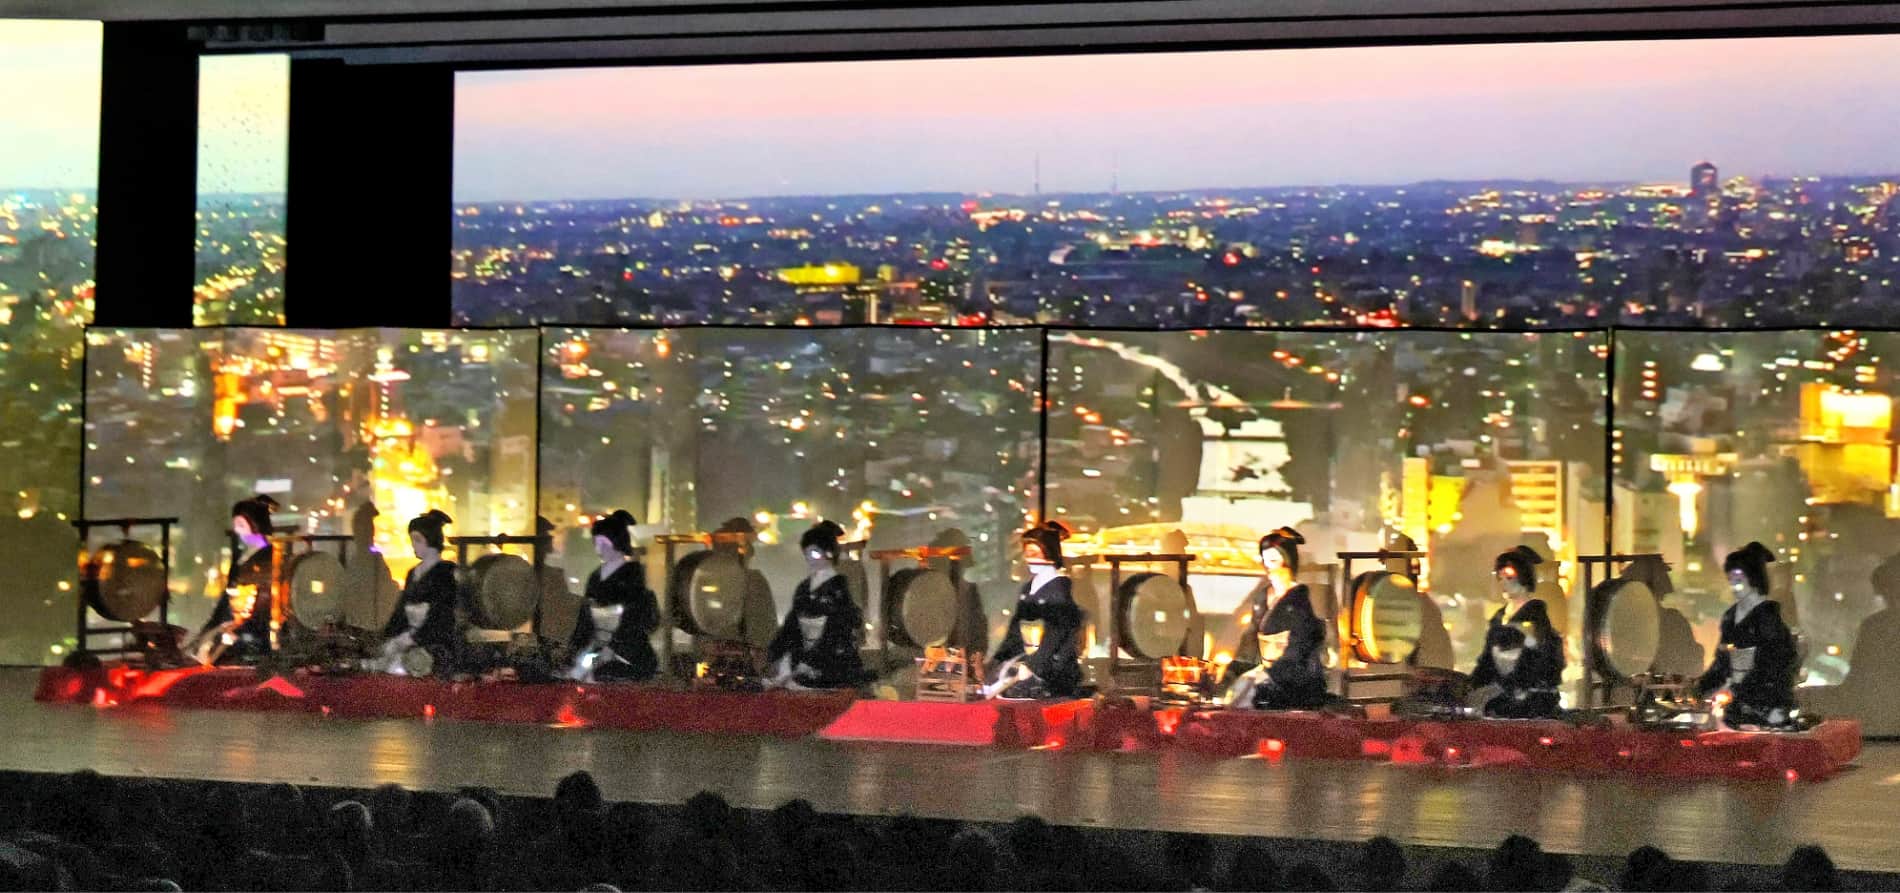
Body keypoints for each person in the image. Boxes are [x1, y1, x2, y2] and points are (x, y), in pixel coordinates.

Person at [1220, 527, 1329, 710]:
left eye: (1273, 561)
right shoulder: (1263, 597)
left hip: (1292, 680)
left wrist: (1270, 676)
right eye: (1265, 561)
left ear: (1288, 562)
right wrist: (1233, 670)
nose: (1268, 567)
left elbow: (1298, 649)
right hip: (1266, 672)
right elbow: (1250, 640)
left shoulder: (1299, 602)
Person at [1695, 542, 1799, 729]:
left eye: (1738, 579)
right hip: (1737, 707)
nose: (1733, 585)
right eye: (1730, 579)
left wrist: (1738, 691)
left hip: (1766, 707)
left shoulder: (1767, 617)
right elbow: (1722, 663)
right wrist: (1699, 688)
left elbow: (1773, 666)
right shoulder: (1730, 617)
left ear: (1753, 578)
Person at [985, 520, 1084, 700]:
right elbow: (1015, 632)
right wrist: (998, 660)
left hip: (1054, 668)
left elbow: (1056, 633)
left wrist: (1034, 665)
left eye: (1035, 553)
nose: (1029, 558)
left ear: (1050, 554)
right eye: (1027, 553)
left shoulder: (1059, 589)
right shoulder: (1028, 588)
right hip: (1028, 662)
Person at [765, 520, 869, 690]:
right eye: (806, 553)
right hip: (803, 658)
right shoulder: (804, 587)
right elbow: (792, 624)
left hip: (832, 660)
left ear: (829, 553)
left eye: (814, 553)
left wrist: (810, 661)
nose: (809, 558)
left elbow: (837, 627)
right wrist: (775, 652)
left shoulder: (838, 587)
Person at [1469, 545, 1565, 718]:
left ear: (1524, 577)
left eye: (1509, 577)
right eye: (1500, 578)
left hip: (1528, 704)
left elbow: (1535, 664)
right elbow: (1486, 663)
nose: (1503, 583)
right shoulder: (1499, 618)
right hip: (1500, 699)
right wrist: (1470, 685)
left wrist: (1510, 688)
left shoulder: (1535, 618)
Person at [568, 510, 660, 682]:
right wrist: (574, 650)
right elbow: (585, 619)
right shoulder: (595, 577)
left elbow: (633, 621)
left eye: (603, 542)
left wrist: (612, 649)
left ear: (617, 542)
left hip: (630, 657)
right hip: (596, 651)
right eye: (596, 542)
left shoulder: (632, 576)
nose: (599, 548)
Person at [194, 495, 280, 664]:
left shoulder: (270, 557)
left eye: (241, 525)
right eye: (236, 525)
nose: (237, 530)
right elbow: (225, 602)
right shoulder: (242, 557)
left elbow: (262, 607)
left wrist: (237, 629)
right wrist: (208, 630)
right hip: (235, 623)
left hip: (254, 631)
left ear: (255, 524)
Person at [377, 510, 458, 674]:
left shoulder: (446, 573)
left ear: (431, 539)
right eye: (413, 540)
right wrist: (389, 636)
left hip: (434, 642)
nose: (414, 545)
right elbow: (400, 612)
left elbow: (441, 614)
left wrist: (412, 638)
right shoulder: (412, 573)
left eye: (418, 540)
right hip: (408, 637)